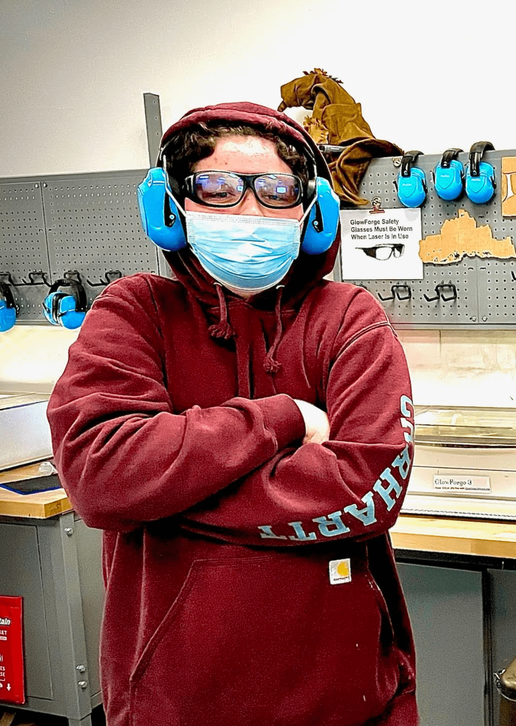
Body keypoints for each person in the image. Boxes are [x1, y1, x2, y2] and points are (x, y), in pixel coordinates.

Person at [46, 102, 418, 725]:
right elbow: (101, 475)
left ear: (313, 213)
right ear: (171, 208)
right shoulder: (134, 311)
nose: (248, 213)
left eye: (275, 192)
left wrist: (166, 495)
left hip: (346, 700)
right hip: (174, 700)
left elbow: (368, 491)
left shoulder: (349, 318)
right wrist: (284, 419)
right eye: (216, 189)